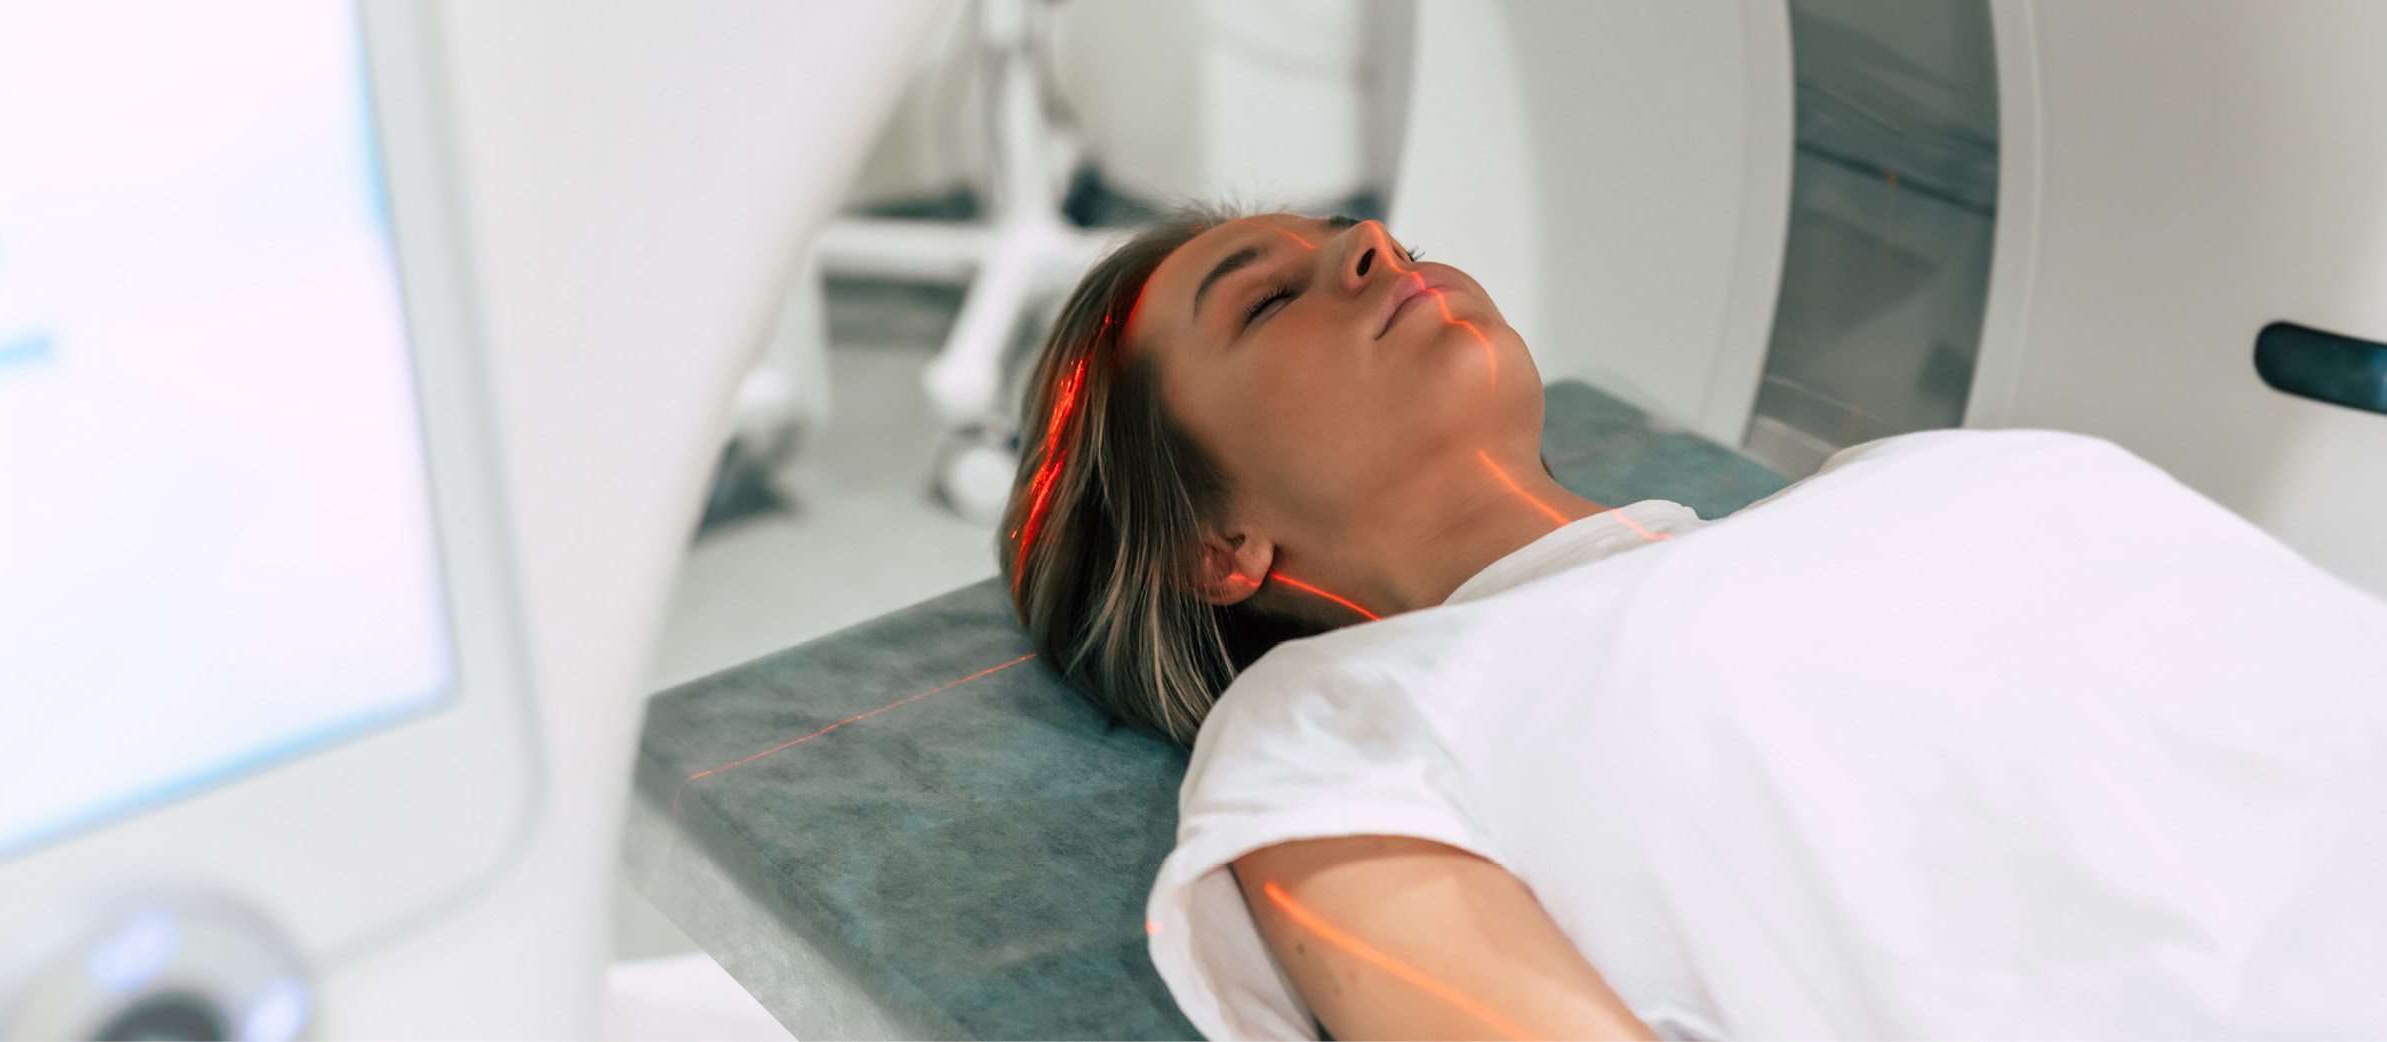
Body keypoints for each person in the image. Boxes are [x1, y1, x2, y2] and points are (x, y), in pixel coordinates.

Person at [999, 211, 2387, 1039]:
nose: (1371, 241)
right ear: (1216, 545)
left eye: (1369, 241)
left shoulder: (1913, 473)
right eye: (1267, 293)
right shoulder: (1337, 720)